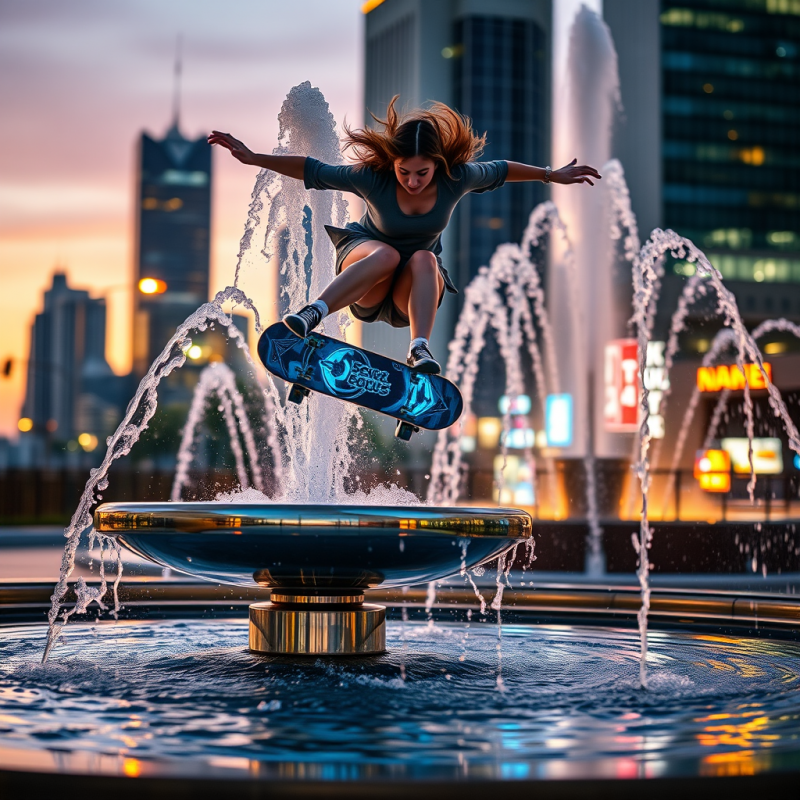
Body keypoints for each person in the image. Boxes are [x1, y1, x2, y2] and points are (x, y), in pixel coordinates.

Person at [209, 97, 600, 374]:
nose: (412, 181)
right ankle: (313, 314)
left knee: (425, 258)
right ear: (391, 164)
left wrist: (551, 174)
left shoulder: (457, 177)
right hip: (364, 270)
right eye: (404, 172)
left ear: (438, 166)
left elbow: (501, 169)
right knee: (387, 255)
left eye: (422, 173)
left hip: (407, 294)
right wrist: (253, 157)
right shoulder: (371, 176)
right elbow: (314, 168)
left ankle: (419, 348)